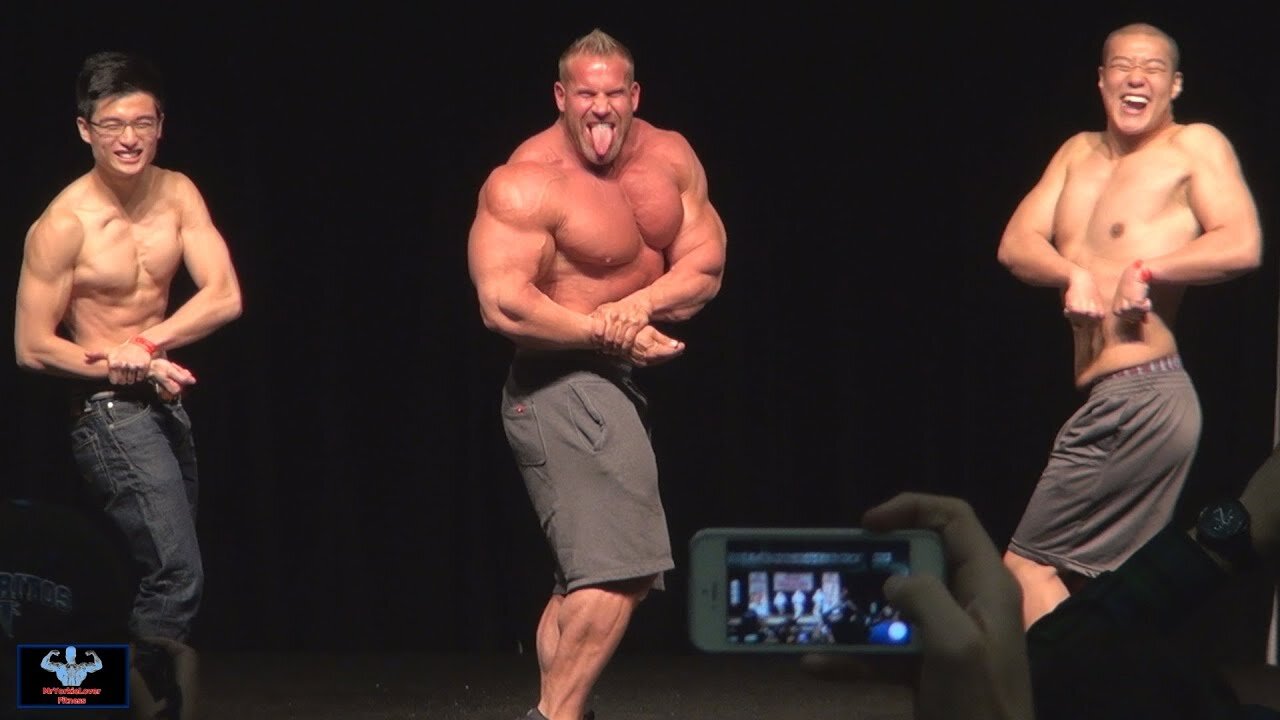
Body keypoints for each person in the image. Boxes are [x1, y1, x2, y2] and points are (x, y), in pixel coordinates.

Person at [466, 27, 726, 720]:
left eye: (615, 93)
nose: (601, 107)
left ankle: (559, 710)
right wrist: (605, 330)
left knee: (581, 579)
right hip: (560, 382)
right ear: (562, 96)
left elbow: (704, 265)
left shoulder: (670, 157)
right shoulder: (527, 181)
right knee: (623, 566)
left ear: (634, 96)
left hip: (613, 381)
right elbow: (504, 306)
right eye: (586, 93)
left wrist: (636, 306)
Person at [995, 21, 1263, 626]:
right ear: (1101, 80)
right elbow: (1015, 244)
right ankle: (1120, 692)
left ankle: (1068, 694)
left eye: (1153, 68)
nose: (1136, 77)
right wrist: (1073, 275)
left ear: (1174, 85)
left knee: (1027, 568)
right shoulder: (1076, 152)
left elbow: (1242, 244)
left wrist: (1148, 270)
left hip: (1143, 392)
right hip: (1114, 396)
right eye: (1122, 65)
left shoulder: (1194, 145)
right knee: (1109, 588)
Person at [13, 50, 242, 715]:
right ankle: (142, 704)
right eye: (113, 124)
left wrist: (146, 343)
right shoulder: (65, 224)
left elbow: (224, 295)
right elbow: (30, 346)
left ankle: (95, 695)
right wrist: (118, 358)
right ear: (85, 129)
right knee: (175, 571)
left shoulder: (178, 192)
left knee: (158, 569)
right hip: (106, 407)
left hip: (164, 399)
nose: (129, 138)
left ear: (161, 124)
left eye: (142, 121)